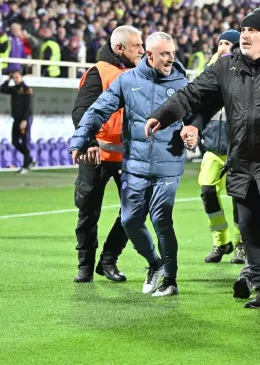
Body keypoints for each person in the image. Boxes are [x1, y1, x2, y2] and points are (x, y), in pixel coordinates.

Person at [146, 7, 260, 309]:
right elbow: (193, 94)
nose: (245, 35)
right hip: (240, 160)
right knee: (249, 228)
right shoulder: (227, 67)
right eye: (242, 30)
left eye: (252, 30)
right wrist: (164, 114)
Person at [70, 32, 193, 297]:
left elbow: (197, 114)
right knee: (129, 220)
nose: (171, 58)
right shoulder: (126, 80)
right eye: (165, 54)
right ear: (149, 55)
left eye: (173, 53)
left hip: (168, 163)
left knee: (161, 218)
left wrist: (193, 129)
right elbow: (96, 110)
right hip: (133, 164)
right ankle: (154, 264)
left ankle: (170, 280)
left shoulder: (182, 82)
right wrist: (81, 139)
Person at [69, 25, 144, 284]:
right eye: (137, 46)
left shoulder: (139, 74)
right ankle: (85, 266)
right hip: (96, 156)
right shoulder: (98, 72)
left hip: (129, 156)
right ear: (119, 48)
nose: (142, 50)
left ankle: (108, 260)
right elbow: (81, 112)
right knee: (89, 212)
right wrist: (88, 142)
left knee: (134, 210)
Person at [197, 29, 244, 264]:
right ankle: (221, 241)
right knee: (207, 191)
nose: (222, 46)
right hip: (213, 148)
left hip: (238, 149)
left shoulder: (242, 72)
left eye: (228, 43)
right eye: (220, 42)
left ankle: (241, 244)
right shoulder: (210, 71)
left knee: (239, 199)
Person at [0, 70, 34, 173]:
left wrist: (24, 120)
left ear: (21, 77)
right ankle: (29, 160)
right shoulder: (14, 89)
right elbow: (2, 90)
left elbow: (28, 107)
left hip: (24, 120)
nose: (16, 79)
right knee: (15, 142)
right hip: (16, 119)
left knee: (24, 142)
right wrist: (8, 79)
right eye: (14, 77)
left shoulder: (27, 89)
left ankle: (25, 166)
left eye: (17, 77)